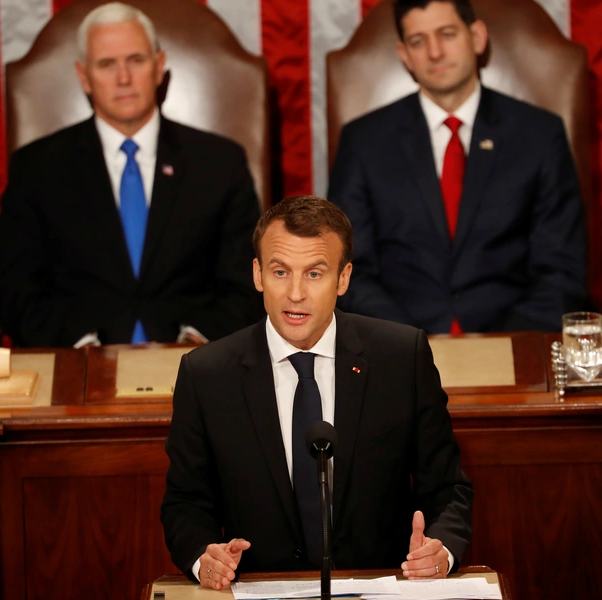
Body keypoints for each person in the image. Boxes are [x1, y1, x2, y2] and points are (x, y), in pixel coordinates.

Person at [161, 195, 473, 588]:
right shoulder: (206, 374)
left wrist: (440, 549)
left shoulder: (400, 357)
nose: (295, 293)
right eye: (279, 272)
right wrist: (204, 556)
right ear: (257, 274)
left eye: (314, 273)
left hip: (380, 586)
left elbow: (447, 487)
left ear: (343, 278)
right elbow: (185, 503)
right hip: (258, 590)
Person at [0, 2, 262, 347]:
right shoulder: (38, 167)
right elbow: (13, 289)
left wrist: (197, 339)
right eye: (106, 64)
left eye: (135, 60)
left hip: (195, 365)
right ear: (83, 77)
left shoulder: (220, 162)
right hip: (77, 369)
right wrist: (78, 344)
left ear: (159, 67)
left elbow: (247, 281)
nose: (123, 78)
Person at [328, 0, 588, 334]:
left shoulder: (539, 135)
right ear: (404, 55)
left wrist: (504, 345)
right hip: (398, 349)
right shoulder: (364, 141)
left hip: (514, 344)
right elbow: (350, 269)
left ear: (477, 37)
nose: (434, 52)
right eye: (418, 42)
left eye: (447, 34)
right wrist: (407, 345)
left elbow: (561, 270)